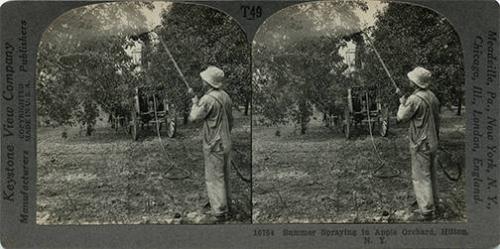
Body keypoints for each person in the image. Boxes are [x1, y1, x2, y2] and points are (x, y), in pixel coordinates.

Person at [188, 66, 234, 222]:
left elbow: (194, 117)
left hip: (214, 143)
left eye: (204, 80)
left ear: (208, 83)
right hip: (226, 141)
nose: (202, 82)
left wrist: (195, 102)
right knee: (225, 175)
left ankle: (220, 212)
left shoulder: (207, 99)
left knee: (215, 177)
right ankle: (226, 206)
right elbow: (231, 120)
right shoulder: (226, 96)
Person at [397, 66, 440, 221]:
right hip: (433, 141)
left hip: (421, 143)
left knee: (421, 177)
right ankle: (432, 203)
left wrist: (402, 103)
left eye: (411, 79)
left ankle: (427, 211)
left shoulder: (415, 99)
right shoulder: (432, 97)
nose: (409, 81)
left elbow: (401, 117)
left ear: (415, 82)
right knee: (431, 174)